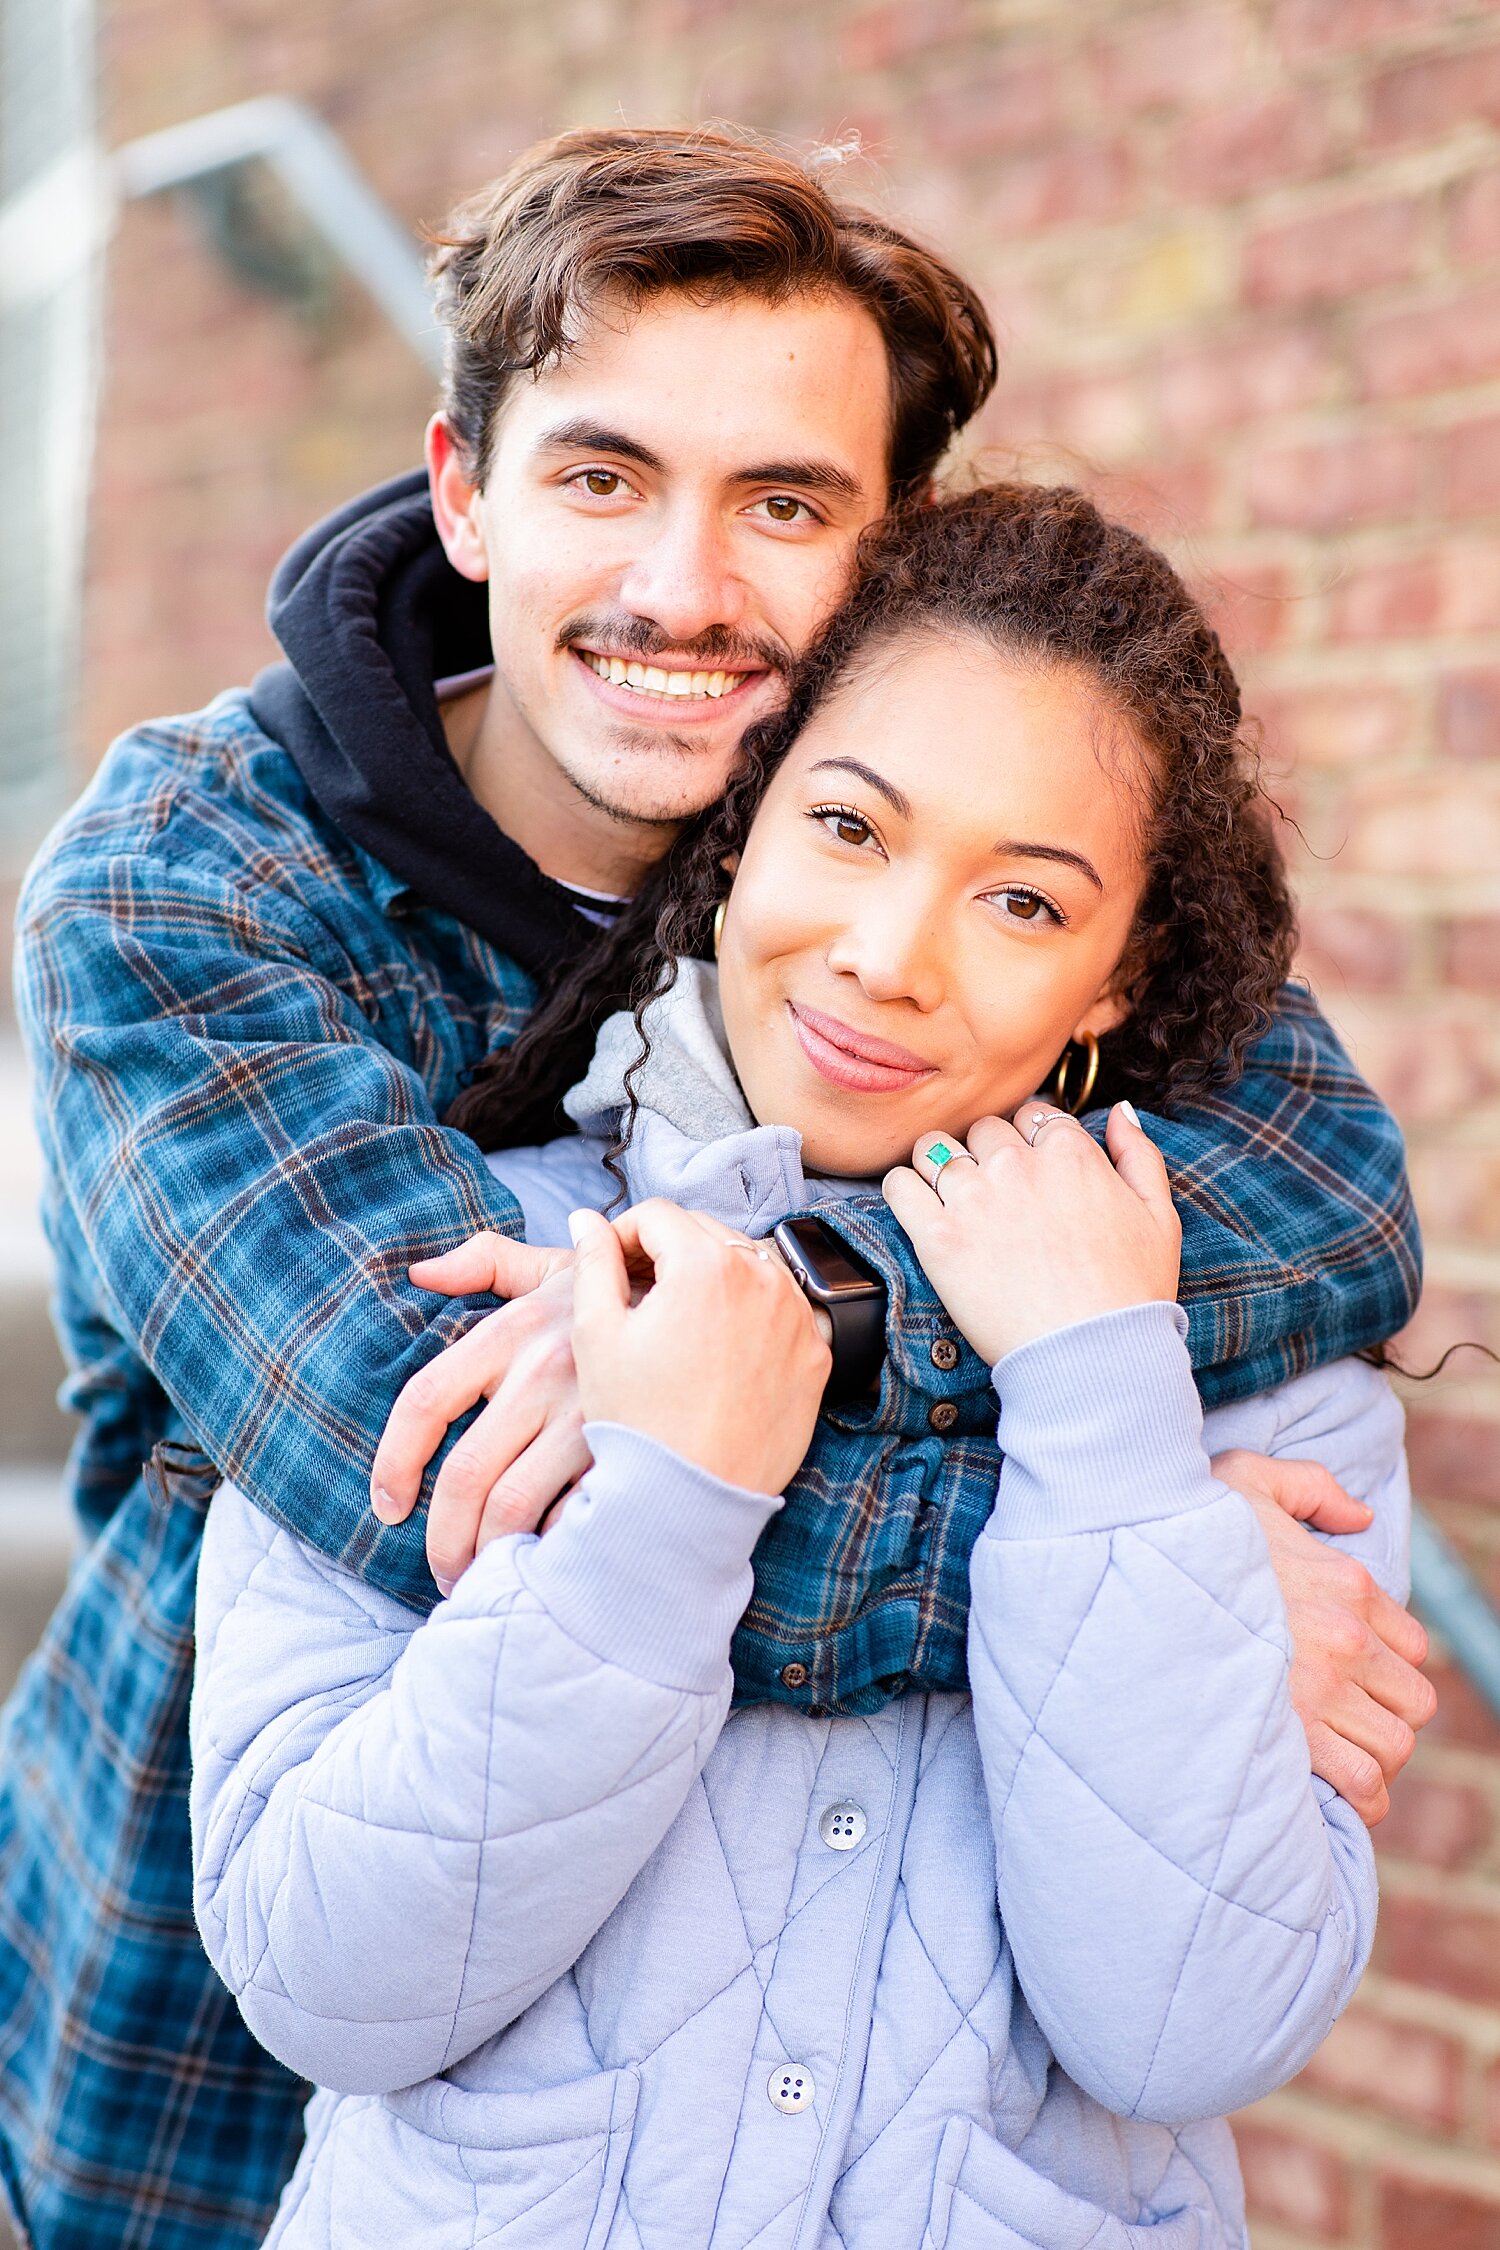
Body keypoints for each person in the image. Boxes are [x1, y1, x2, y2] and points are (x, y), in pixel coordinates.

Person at [7, 129, 1427, 2250]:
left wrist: (832, 1328)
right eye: (600, 477)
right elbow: (442, 1483)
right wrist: (1148, 1577)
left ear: (887, 555)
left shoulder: (878, 853)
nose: (684, 587)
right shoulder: (204, 879)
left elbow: (1323, 1192)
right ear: (467, 489)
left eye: (783, 503)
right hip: (201, 2034)